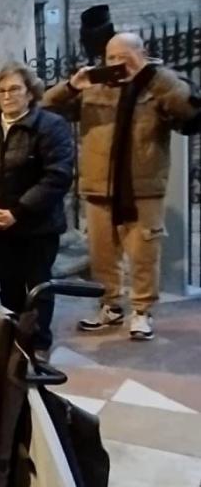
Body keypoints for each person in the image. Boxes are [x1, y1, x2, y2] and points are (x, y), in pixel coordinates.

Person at [43, 32, 201, 342]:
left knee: (144, 253)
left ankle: (141, 311)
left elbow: (189, 111)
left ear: (141, 54)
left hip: (143, 188)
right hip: (99, 186)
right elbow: (46, 109)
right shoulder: (94, 86)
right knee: (102, 254)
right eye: (111, 57)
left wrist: (149, 75)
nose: (116, 64)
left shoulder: (159, 83)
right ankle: (110, 305)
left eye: (124, 57)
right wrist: (73, 85)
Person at [0, 63, 74, 357]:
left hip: (38, 225)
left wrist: (19, 212)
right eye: (2, 90)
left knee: (38, 286)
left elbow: (57, 176)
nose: (7, 96)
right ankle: (14, 337)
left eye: (15, 89)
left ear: (30, 93)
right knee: (9, 287)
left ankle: (38, 342)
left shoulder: (50, 126)